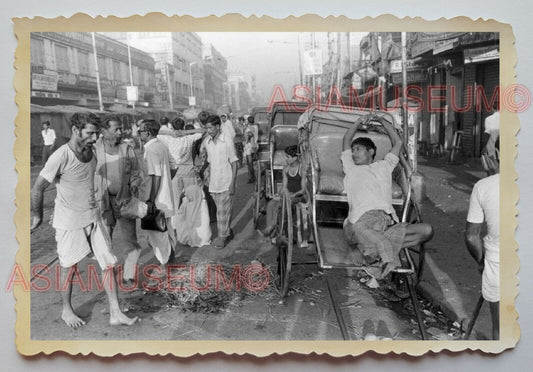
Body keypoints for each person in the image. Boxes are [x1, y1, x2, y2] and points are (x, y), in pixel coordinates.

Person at [30, 112, 137, 328]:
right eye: (90, 133)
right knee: (69, 267)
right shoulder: (60, 156)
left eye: (97, 133)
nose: (94, 137)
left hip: (93, 217)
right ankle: (66, 310)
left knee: (109, 264)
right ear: (76, 130)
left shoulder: (91, 151)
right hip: (69, 221)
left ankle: (115, 312)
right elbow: (37, 188)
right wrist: (38, 216)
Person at [341, 114, 433, 278]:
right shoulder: (350, 167)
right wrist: (358, 121)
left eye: (358, 149)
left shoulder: (385, 165)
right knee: (373, 238)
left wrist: (382, 121)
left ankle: (379, 252)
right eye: (352, 150)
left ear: (370, 151)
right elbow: (347, 139)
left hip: (387, 221)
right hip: (362, 221)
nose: (353, 153)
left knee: (427, 231)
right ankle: (381, 254)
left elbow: (398, 143)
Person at [94, 115, 143, 284]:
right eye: (116, 129)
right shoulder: (94, 149)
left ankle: (129, 274)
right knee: (104, 240)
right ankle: (108, 274)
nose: (120, 132)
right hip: (103, 203)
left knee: (130, 240)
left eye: (121, 128)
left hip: (124, 201)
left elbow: (136, 172)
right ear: (103, 131)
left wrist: (134, 185)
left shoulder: (126, 149)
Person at [465, 138, 500, 339]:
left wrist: (481, 261)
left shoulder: (483, 186)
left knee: (502, 329)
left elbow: (471, 237)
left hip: (498, 262)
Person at [138, 119, 178, 274]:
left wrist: (151, 199)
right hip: (165, 196)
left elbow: (155, 176)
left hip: (157, 199)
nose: (139, 133)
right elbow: (174, 167)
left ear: (147, 132)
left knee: (156, 235)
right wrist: (166, 185)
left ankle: (164, 267)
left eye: (140, 130)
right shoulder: (161, 145)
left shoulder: (151, 149)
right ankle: (170, 263)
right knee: (167, 231)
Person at [157, 117, 205, 227]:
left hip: (175, 173)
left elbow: (157, 132)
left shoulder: (168, 139)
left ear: (172, 126)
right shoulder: (188, 138)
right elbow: (202, 131)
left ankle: (175, 225)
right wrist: (185, 132)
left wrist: (171, 132)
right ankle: (192, 223)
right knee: (192, 199)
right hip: (189, 172)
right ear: (183, 126)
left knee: (174, 199)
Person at [199, 115, 238, 249]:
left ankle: (222, 237)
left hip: (226, 182)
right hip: (213, 183)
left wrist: (233, 183)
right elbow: (208, 161)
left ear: (217, 127)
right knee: (221, 212)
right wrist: (204, 173)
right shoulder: (207, 142)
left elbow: (234, 162)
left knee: (223, 211)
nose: (208, 130)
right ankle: (227, 232)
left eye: (210, 127)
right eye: (207, 128)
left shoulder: (227, 140)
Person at [481, 101, 500, 176]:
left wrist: (483, 147)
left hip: (491, 147)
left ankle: (491, 184)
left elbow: (487, 134)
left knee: (491, 167)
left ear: (493, 108)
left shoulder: (489, 119)